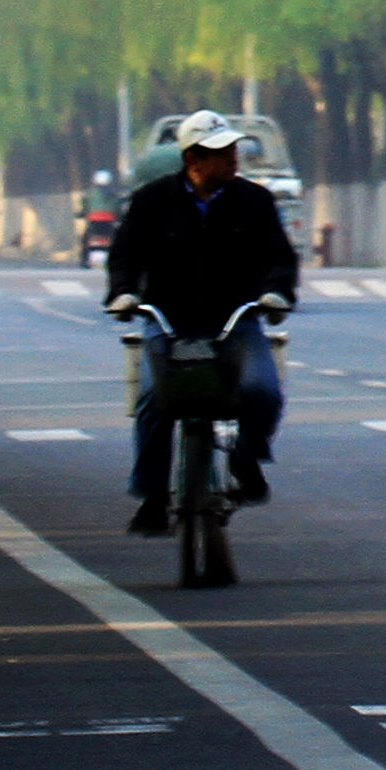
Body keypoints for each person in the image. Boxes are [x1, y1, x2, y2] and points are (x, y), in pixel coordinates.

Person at [102, 113, 296, 534]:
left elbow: (279, 256)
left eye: (233, 150)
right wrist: (123, 293)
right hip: (170, 323)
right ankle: (154, 497)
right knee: (155, 402)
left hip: (235, 322)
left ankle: (246, 458)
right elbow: (125, 255)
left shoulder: (254, 201)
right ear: (192, 158)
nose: (233, 160)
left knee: (263, 392)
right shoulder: (153, 201)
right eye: (221, 153)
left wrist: (277, 292)